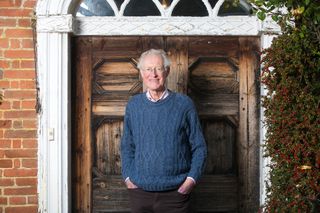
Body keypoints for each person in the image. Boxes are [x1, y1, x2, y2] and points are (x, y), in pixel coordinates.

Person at [121, 49, 207, 213]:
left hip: (175, 194)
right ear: (141, 73)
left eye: (158, 68)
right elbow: (127, 146)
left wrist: (191, 180)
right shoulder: (134, 105)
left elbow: (199, 147)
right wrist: (128, 178)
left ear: (167, 71)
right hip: (139, 193)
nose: (153, 74)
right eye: (148, 69)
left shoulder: (184, 104)